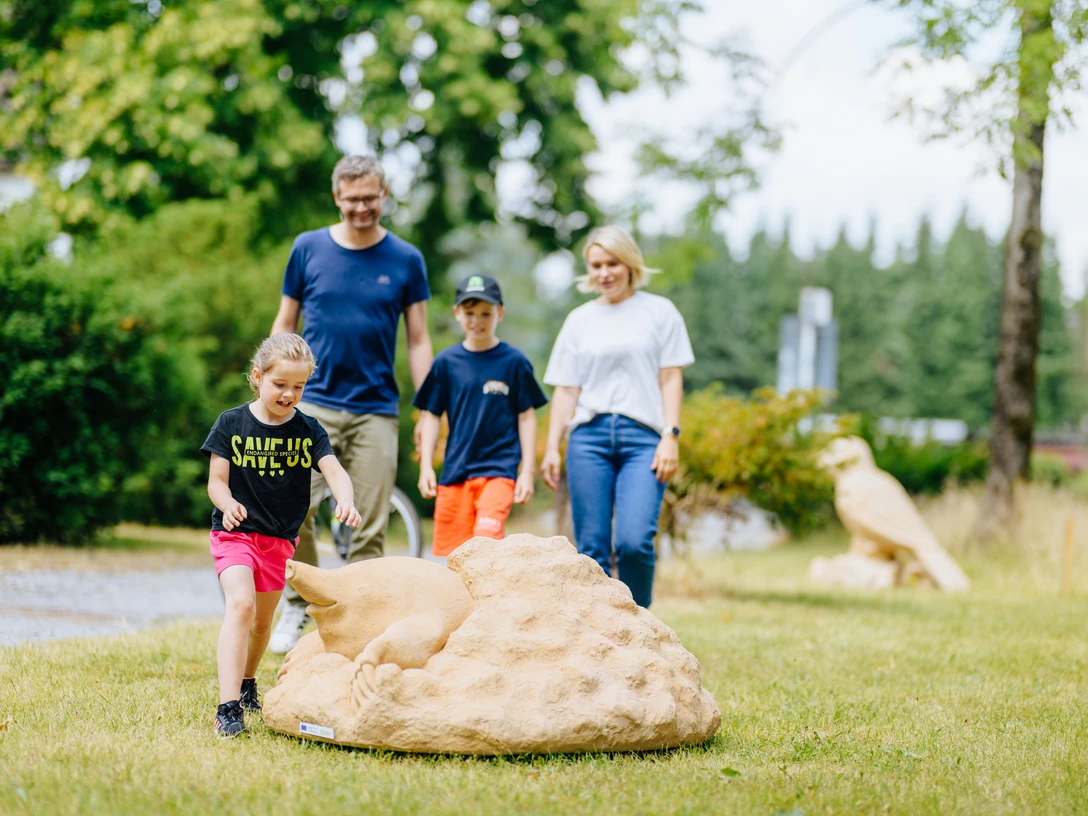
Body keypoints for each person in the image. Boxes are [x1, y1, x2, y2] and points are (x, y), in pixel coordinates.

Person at [268, 155, 434, 654]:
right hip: (310, 402)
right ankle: (302, 601)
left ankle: (359, 631)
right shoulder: (308, 249)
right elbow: (285, 322)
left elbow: (420, 339)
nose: (362, 207)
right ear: (337, 197)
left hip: (376, 409)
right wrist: (272, 391)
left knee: (368, 525)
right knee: (291, 509)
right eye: (352, 199)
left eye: (371, 197)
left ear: (384, 196)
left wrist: (429, 408)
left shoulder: (406, 259)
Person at [201, 334, 362, 737]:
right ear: (257, 377)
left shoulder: (308, 429)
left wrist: (346, 500)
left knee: (261, 622)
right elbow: (216, 482)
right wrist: (227, 504)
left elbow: (335, 471)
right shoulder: (231, 423)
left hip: (279, 542)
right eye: (280, 384)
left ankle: (249, 681)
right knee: (240, 607)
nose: (289, 393)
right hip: (235, 535)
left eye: (299, 386)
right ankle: (228, 706)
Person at [540, 226, 694, 608]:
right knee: (591, 545)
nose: (604, 272)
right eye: (596, 265)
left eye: (612, 263)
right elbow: (566, 389)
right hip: (588, 439)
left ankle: (640, 625)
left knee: (633, 541)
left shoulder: (659, 312)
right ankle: (600, 633)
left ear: (629, 264)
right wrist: (551, 448)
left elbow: (671, 376)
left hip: (643, 439)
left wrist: (670, 435)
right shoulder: (579, 320)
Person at [414, 274, 548, 557]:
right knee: (453, 557)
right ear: (457, 313)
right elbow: (432, 415)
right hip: (454, 474)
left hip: (499, 470)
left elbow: (526, 417)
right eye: (469, 312)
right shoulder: (446, 363)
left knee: (486, 546)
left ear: (500, 313)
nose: (477, 320)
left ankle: (491, 602)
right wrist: (426, 465)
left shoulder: (514, 362)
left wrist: (527, 471)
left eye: (486, 313)